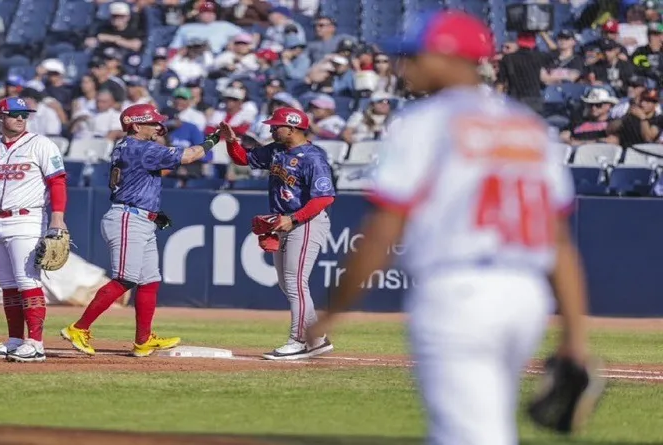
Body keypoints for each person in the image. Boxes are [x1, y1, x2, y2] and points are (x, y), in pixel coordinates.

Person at [308, 11, 594, 445]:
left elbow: (386, 227)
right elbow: (558, 241)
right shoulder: (527, 126)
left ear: (449, 58)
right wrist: (574, 333)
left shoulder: (426, 121)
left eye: (415, 55)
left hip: (459, 292)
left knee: (469, 436)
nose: (405, 65)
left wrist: (333, 311)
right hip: (526, 297)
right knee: (482, 426)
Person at [60, 104, 220, 357]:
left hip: (138, 215)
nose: (158, 126)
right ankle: (78, 328)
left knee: (150, 281)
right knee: (125, 279)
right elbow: (189, 156)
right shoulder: (141, 148)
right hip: (128, 217)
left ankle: (143, 340)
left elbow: (140, 180)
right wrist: (214, 139)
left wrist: (151, 212)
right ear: (136, 126)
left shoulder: (129, 146)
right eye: (153, 122)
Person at [218, 107, 336, 361]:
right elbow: (243, 159)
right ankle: (316, 338)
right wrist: (231, 141)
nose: (271, 129)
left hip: (306, 221)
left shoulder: (313, 158)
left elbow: (324, 198)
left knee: (295, 282)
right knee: (287, 283)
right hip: (285, 221)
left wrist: (293, 219)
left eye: (276, 126)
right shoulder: (276, 150)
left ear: (292, 129)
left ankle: (299, 340)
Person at [0, 97, 69, 363]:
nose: (21, 118)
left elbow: (57, 182)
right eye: (15, 114)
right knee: (8, 286)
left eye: (24, 114)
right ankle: (15, 340)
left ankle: (36, 343)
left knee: (27, 281)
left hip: (27, 218)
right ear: (1, 116)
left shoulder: (41, 144)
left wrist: (57, 218)